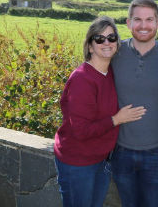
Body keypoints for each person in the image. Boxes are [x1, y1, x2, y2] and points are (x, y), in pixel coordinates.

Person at [54, 16, 146, 207]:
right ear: (90, 46)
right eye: (99, 39)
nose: (106, 43)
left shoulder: (111, 72)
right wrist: (116, 119)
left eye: (112, 38)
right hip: (78, 163)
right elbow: (80, 130)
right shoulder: (82, 79)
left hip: (101, 160)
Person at [110, 0, 158, 207]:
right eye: (137, 19)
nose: (143, 25)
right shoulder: (113, 53)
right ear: (128, 23)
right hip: (121, 150)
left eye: (150, 19)